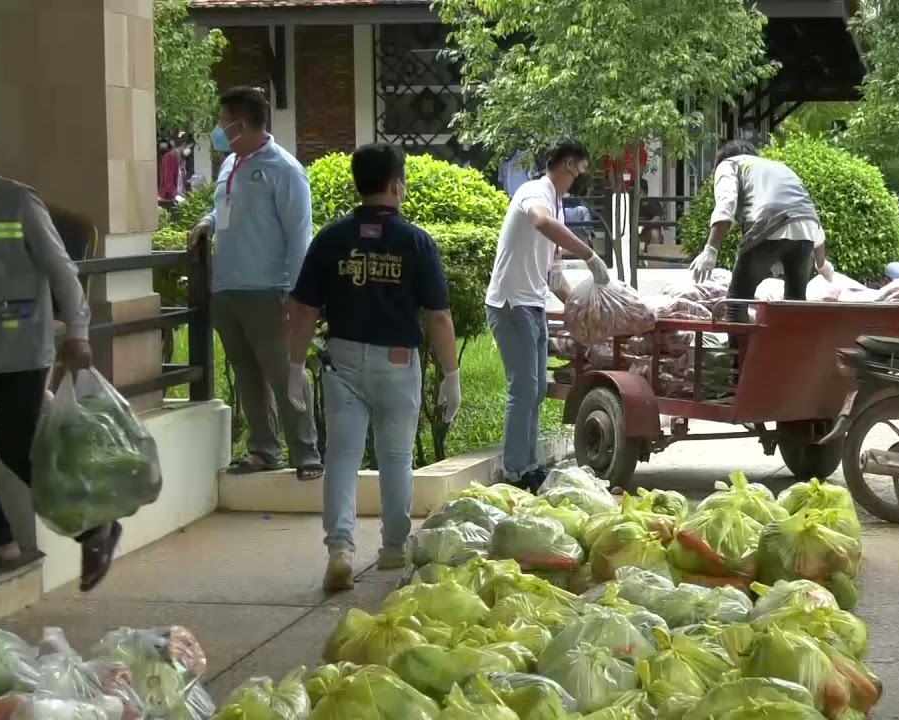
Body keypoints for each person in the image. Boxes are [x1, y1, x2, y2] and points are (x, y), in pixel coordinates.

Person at [284, 143, 461, 590]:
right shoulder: (416, 242)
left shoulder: (331, 239)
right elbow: (438, 315)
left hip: (342, 362)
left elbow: (303, 308)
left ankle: (341, 548)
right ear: (398, 184)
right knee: (396, 457)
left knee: (341, 455)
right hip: (398, 364)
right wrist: (451, 374)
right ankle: (393, 549)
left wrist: (293, 365)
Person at [0, 121, 121, 590]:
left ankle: (96, 527)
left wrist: (80, 332)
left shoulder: (19, 202)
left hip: (22, 350)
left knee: (13, 443)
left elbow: (63, 272)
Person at [188, 87, 323, 481]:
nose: (217, 129)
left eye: (222, 121)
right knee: (247, 374)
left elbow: (300, 235)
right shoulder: (231, 163)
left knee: (284, 373)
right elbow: (225, 209)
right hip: (227, 290)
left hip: (269, 290)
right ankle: (264, 449)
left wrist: (298, 297)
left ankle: (307, 453)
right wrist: (208, 222)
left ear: (240, 124)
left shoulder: (284, 170)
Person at [486, 139, 610, 491]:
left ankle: (529, 466)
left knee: (537, 388)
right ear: (569, 164)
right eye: (581, 171)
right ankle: (515, 471)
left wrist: (578, 304)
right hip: (510, 304)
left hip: (532, 303)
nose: (581, 179)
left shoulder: (555, 202)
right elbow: (540, 222)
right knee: (523, 389)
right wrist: (589, 254)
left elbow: (552, 273)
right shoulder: (534, 192)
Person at [690, 139, 833, 323]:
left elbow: (726, 205)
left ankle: (740, 352)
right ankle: (790, 351)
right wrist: (821, 264)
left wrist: (710, 249)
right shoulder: (779, 168)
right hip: (807, 231)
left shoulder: (729, 164)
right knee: (795, 305)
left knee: (736, 304)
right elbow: (807, 214)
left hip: (767, 226)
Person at [158, 136, 183, 203]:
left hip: (169, 192)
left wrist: (168, 191)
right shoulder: (171, 154)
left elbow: (168, 175)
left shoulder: (170, 155)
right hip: (171, 191)